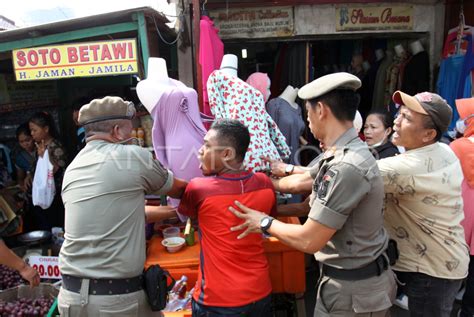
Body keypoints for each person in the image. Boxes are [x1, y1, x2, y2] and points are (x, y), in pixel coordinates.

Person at [229, 72, 396, 316]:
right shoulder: (342, 152)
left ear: (321, 110)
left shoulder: (346, 166)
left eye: (307, 113)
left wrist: (263, 222)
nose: (307, 120)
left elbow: (309, 239)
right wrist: (253, 180)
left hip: (355, 294)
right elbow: (302, 180)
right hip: (345, 284)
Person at [58, 96, 187, 317]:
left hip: (69, 297)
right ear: (117, 131)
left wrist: (171, 213)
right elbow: (179, 189)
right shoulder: (130, 156)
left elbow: (113, 215)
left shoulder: (73, 167)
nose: (132, 135)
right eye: (130, 130)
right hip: (116, 301)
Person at [377, 91, 470, 317]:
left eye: (407, 118)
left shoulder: (407, 165)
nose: (397, 120)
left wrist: (287, 170)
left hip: (433, 271)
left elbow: (345, 175)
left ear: (429, 134)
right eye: (400, 113)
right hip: (444, 262)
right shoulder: (444, 150)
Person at [178, 119, 274, 317]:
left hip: (217, 300)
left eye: (207, 145)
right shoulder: (265, 184)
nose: (200, 151)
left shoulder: (198, 188)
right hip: (260, 292)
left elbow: (190, 217)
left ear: (227, 154)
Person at [449, 97, 474, 317]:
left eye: (465, 118)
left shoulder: (456, 147)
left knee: (452, 261)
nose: (461, 121)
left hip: (459, 215)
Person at [29, 112, 67, 230]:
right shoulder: (40, 146)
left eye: (35, 130)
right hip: (45, 192)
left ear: (46, 129)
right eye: (31, 130)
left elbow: (57, 169)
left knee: (55, 223)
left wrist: (44, 156)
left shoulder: (55, 145)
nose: (32, 134)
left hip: (55, 193)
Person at [12, 123, 36, 192]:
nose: (25, 144)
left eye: (28, 140)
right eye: (21, 142)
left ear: (33, 136)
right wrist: (22, 186)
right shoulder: (20, 157)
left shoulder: (41, 150)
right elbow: (20, 177)